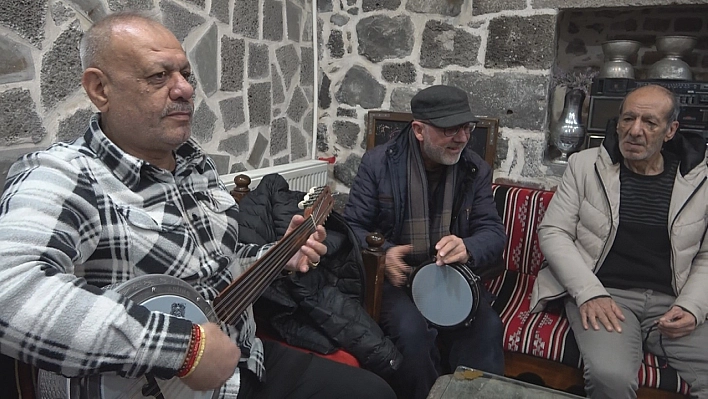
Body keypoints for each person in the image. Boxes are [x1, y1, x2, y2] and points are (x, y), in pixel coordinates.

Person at [0, 11, 395, 399]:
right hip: (157, 384)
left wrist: (277, 256)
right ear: (100, 89)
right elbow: (11, 291)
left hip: (245, 358)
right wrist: (183, 349)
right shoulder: (64, 175)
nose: (186, 90)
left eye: (185, 75)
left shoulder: (195, 164)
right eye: (159, 76)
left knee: (375, 391)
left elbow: (216, 266)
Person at [531, 84, 708, 399]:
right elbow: (553, 231)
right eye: (628, 119)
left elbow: (706, 257)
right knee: (610, 377)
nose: (635, 131)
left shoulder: (700, 180)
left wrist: (692, 307)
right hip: (606, 295)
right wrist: (588, 293)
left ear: (671, 131)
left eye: (649, 123)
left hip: (671, 301)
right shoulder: (585, 166)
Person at [343, 84, 507, 399]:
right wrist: (384, 254)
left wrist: (468, 247)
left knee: (486, 329)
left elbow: (493, 234)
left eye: (467, 127)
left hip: (451, 275)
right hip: (398, 278)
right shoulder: (378, 164)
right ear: (419, 130)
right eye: (450, 129)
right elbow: (352, 226)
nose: (462, 138)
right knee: (411, 334)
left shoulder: (475, 169)